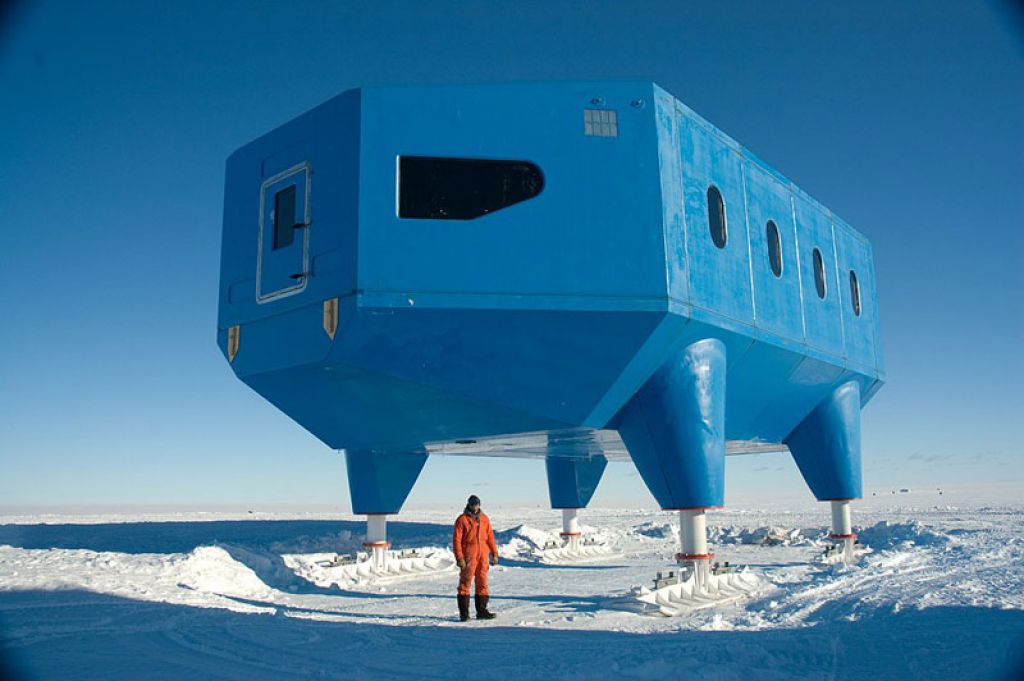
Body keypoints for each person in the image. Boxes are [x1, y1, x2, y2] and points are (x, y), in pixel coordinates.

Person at [452, 494, 499, 621]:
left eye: (477, 504)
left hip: (483, 554)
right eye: (472, 504)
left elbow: (490, 537)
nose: (475, 506)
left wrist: (494, 553)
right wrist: (459, 557)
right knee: (465, 583)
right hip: (469, 554)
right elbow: (456, 540)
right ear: (469, 504)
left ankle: (482, 611)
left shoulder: (484, 519)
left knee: (482, 582)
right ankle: (464, 613)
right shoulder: (462, 520)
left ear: (479, 505)